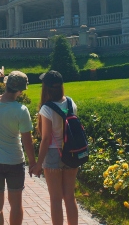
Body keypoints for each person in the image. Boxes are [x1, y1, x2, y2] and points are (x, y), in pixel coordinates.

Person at [0, 67, 37, 225]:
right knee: (16, 204)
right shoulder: (21, 111)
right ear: (20, 90)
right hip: (14, 162)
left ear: (6, 85)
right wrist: (33, 163)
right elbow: (27, 141)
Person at [30, 70, 79, 225]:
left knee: (56, 199)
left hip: (52, 154)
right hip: (71, 152)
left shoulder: (47, 109)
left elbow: (46, 139)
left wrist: (38, 163)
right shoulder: (71, 103)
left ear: (46, 88)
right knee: (70, 197)